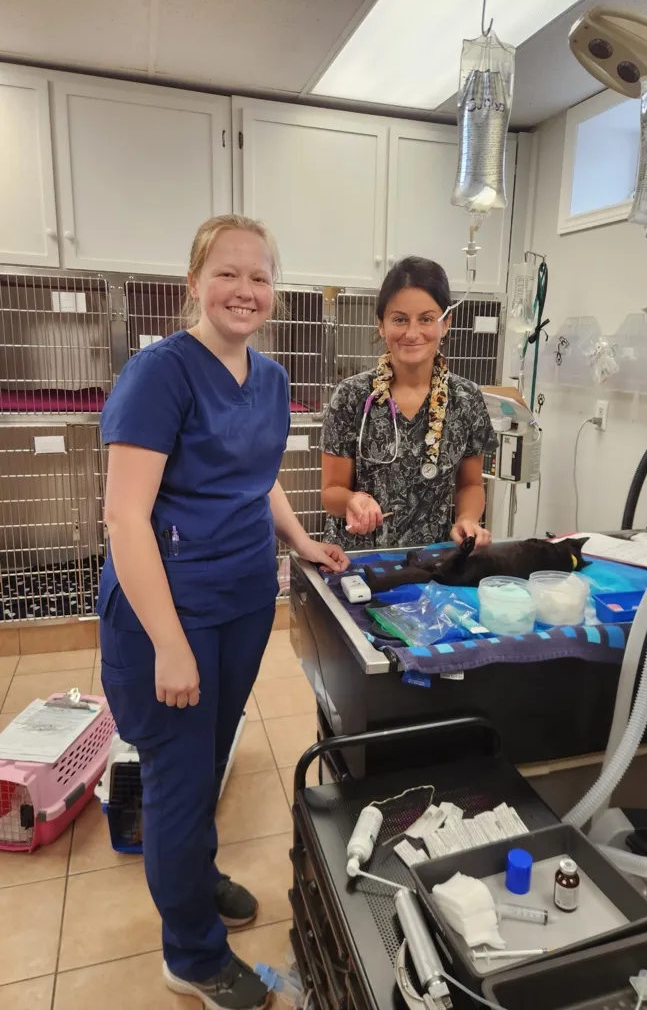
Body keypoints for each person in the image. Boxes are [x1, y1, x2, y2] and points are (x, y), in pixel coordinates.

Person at [97, 214, 348, 1010]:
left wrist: (302, 541)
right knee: (176, 777)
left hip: (242, 599)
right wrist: (169, 644)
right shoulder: (160, 373)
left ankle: (194, 877)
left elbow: (260, 477)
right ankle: (192, 956)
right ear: (195, 284)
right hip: (168, 612)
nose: (245, 290)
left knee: (205, 764)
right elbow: (123, 519)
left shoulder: (269, 379)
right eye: (228, 273)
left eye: (261, 277)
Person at [321, 256, 501, 550]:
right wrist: (353, 499)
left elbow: (470, 485)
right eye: (400, 319)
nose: (412, 333)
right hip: (358, 560)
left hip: (433, 560)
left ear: (446, 324)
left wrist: (467, 519)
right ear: (381, 325)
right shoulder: (352, 396)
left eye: (427, 319)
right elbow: (331, 493)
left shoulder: (466, 398)